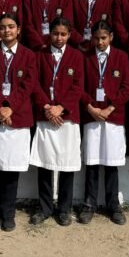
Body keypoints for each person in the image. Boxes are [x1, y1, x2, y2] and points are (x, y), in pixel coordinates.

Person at [0, 14, 37, 231]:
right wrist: (0, 108)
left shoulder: (28, 55)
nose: (7, 31)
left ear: (19, 29)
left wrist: (10, 107)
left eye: (11, 27)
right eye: (2, 27)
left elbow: (28, 85)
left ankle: (8, 213)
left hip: (17, 118)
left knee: (12, 169)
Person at [29, 17, 85, 226]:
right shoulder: (40, 55)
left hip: (67, 118)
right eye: (55, 34)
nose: (59, 38)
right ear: (49, 34)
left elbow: (78, 86)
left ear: (69, 35)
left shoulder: (76, 56)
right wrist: (47, 107)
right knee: (44, 163)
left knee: (67, 164)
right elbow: (34, 84)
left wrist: (61, 107)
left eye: (63, 34)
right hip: (46, 116)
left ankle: (64, 208)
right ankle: (44, 207)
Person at [80, 20, 129, 225]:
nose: (100, 42)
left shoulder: (121, 57)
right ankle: (89, 204)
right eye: (96, 38)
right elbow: (80, 88)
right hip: (92, 116)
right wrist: (91, 108)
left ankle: (113, 205)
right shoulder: (86, 58)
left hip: (113, 116)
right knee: (92, 162)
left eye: (104, 38)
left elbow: (126, 88)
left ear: (111, 37)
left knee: (112, 163)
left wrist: (110, 108)